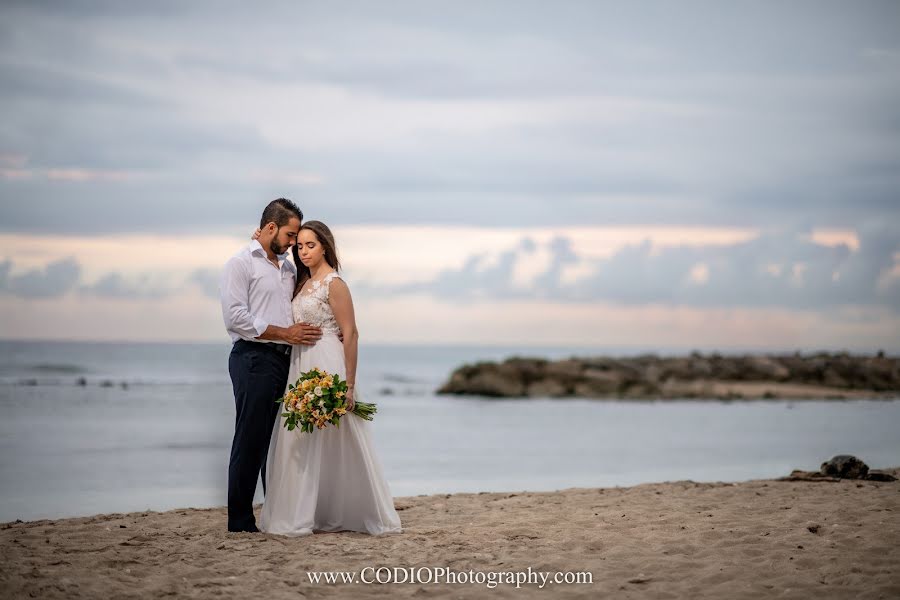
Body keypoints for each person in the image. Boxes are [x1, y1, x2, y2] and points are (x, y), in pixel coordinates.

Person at [257, 220, 402, 536]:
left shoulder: (334, 284)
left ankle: (355, 509)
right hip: (301, 363)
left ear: (325, 246)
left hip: (327, 362)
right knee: (301, 436)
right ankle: (309, 510)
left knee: (340, 435)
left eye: (311, 245)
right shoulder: (303, 282)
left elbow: (350, 333)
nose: (304, 251)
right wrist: (260, 239)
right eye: (300, 246)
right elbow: (271, 260)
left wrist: (349, 385)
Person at [219, 198, 323, 533]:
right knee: (251, 439)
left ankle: (275, 515)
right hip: (253, 357)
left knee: (280, 441)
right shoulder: (240, 264)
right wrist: (286, 333)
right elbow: (235, 318)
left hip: (286, 360)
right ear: (270, 228)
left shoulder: (289, 266)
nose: (294, 244)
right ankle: (239, 520)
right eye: (291, 236)